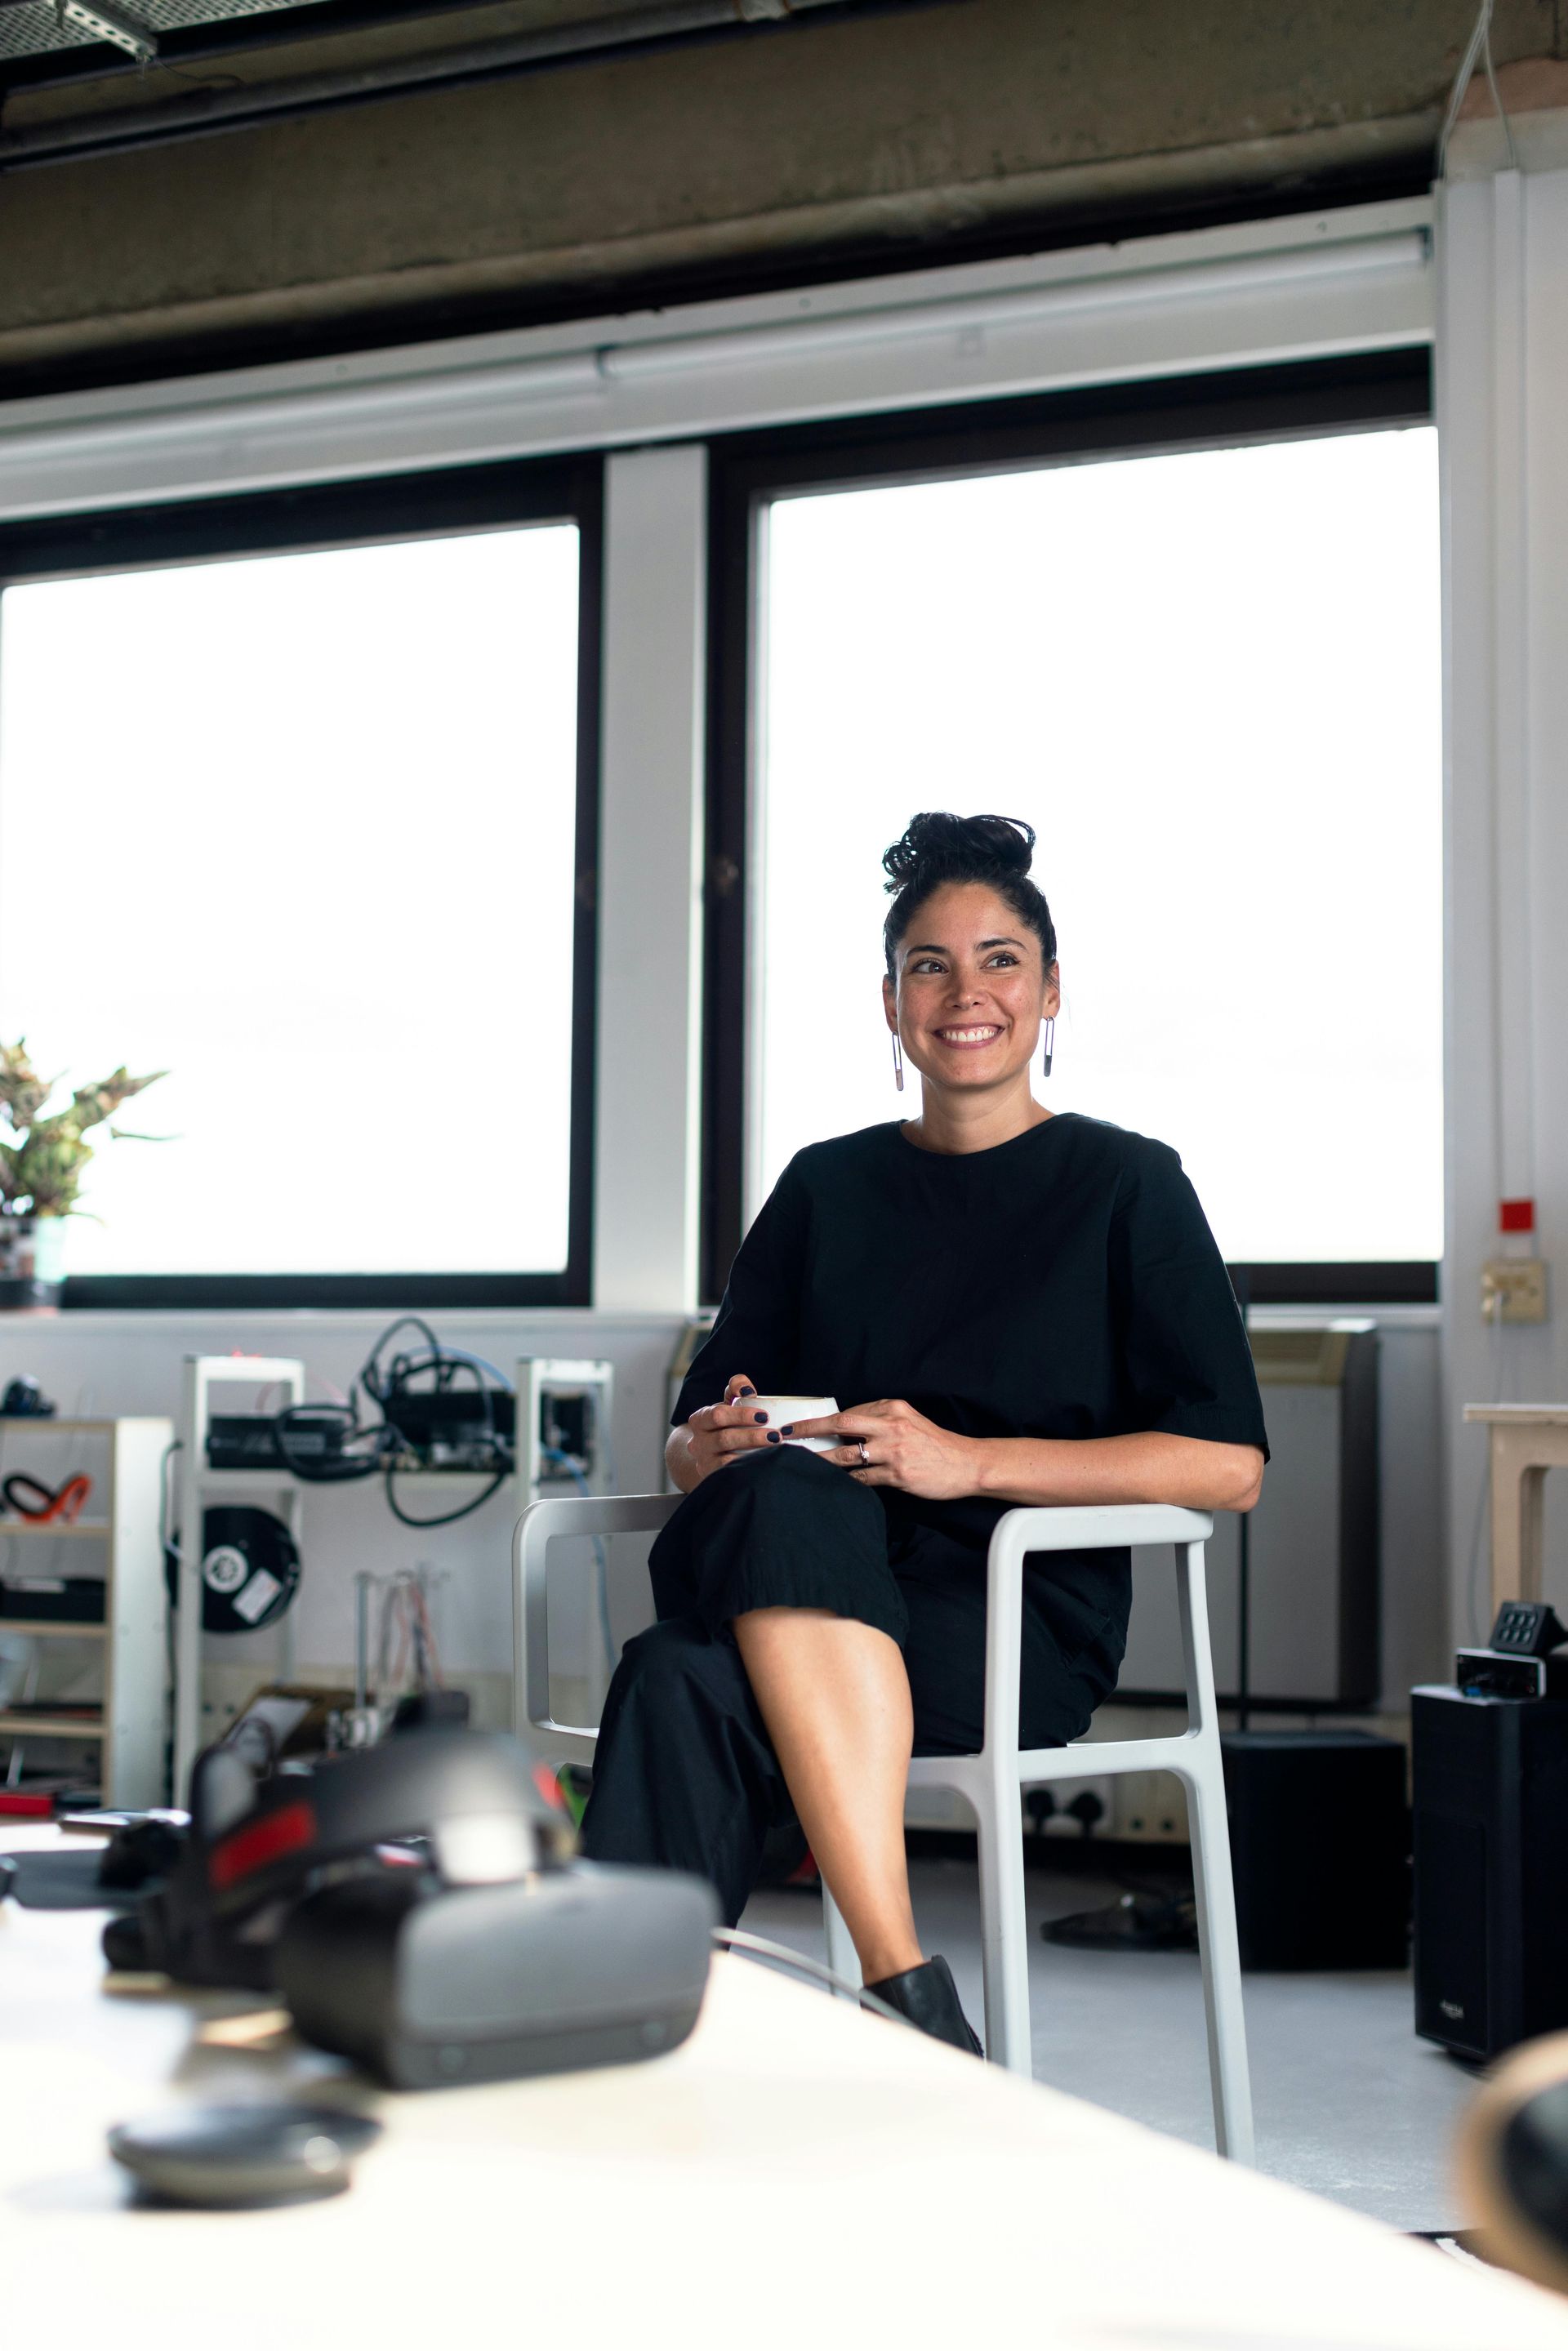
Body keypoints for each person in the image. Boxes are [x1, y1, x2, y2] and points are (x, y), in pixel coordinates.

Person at [581, 812, 1267, 2054]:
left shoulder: (1129, 1187)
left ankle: (796, 2003)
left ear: (1052, 991)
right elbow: (697, 1432)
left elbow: (1227, 1465)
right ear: (890, 1001)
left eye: (1000, 960)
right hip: (804, 1577)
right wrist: (704, 1451)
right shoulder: (822, 1188)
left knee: (687, 1657)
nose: (966, 994)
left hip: (1005, 1621)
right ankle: (711, 2030)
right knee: (700, 1632)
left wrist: (965, 1462)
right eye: (930, 966)